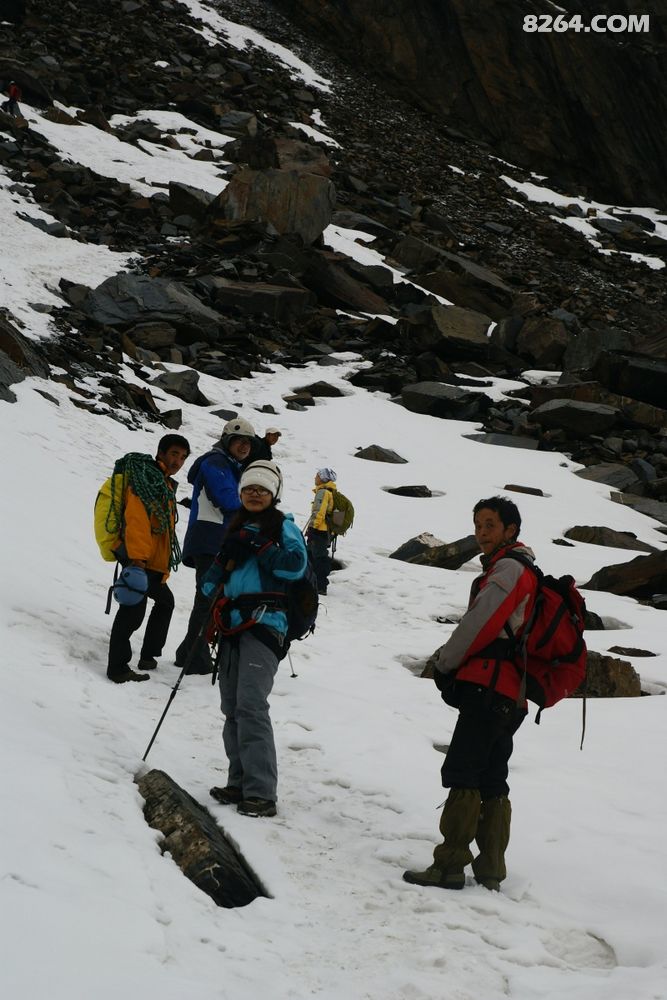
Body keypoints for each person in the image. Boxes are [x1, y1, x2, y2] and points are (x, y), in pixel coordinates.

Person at [403, 496, 538, 892]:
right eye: (478, 524)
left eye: (491, 524)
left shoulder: (508, 569)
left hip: (488, 687)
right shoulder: (524, 569)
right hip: (512, 694)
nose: (481, 532)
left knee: (463, 771)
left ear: (510, 530)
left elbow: (481, 622)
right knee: (493, 777)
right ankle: (491, 868)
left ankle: (448, 866)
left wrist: (446, 662)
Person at [201, 460, 307, 817]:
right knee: (232, 707)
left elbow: (294, 566)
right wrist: (221, 563)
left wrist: (259, 545)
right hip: (232, 624)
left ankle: (261, 792)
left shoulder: (284, 527)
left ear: (273, 493)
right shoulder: (236, 529)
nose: (255, 494)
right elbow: (208, 585)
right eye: (249, 488)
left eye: (262, 489)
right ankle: (239, 783)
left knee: (250, 704)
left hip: (264, 623)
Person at [106, 434, 190, 684]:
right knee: (132, 613)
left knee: (165, 602)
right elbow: (137, 520)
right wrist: (138, 560)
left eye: (183, 457)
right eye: (174, 454)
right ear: (161, 452)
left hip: (153, 562)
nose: (178, 461)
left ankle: (148, 655)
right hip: (141, 559)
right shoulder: (147, 480)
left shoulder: (161, 481)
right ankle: (118, 668)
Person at [175, 417, 255, 674]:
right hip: (209, 538)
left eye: (248, 443)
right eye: (240, 441)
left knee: (209, 597)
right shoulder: (216, 462)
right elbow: (227, 499)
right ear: (227, 440)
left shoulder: (230, 465)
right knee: (208, 598)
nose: (244, 446)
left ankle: (187, 652)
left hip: (213, 539)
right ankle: (195, 660)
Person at [307, 467, 336, 595]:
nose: (315, 477)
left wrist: (312, 527)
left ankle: (320, 586)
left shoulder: (322, 492)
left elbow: (319, 511)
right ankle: (315, 583)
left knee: (317, 558)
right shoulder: (332, 492)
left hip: (319, 530)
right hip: (327, 531)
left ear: (323, 478)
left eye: (317, 475)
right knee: (317, 556)